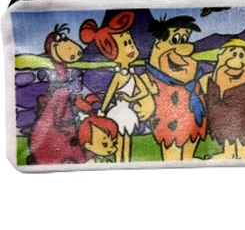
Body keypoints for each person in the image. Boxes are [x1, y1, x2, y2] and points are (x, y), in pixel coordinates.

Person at [80, 11, 153, 163]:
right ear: (111, 51)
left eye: (130, 42)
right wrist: (102, 111)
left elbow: (144, 91)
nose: (131, 47)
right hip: (117, 113)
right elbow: (109, 94)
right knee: (118, 141)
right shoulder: (119, 76)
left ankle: (126, 162)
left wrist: (130, 98)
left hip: (128, 112)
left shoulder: (132, 74)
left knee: (127, 140)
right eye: (125, 43)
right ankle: (119, 162)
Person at [137, 15, 206, 162]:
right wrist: (146, 100)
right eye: (175, 40)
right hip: (169, 121)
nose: (186, 48)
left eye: (185, 39)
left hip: (193, 118)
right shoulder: (151, 78)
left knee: (189, 153)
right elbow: (141, 88)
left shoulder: (192, 77)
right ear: (158, 44)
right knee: (172, 155)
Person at [27, 24, 85, 165]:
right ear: (54, 48)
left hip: (61, 103)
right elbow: (58, 111)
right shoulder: (60, 85)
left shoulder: (62, 73)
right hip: (59, 106)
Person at [201, 39, 245, 160]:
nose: (236, 61)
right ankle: (228, 152)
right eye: (233, 54)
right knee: (227, 135)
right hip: (223, 115)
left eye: (241, 55)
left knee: (243, 138)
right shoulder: (213, 80)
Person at [75, 95, 118, 163]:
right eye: (104, 144)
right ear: (88, 145)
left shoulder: (114, 159)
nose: (111, 148)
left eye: (114, 144)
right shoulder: (90, 161)